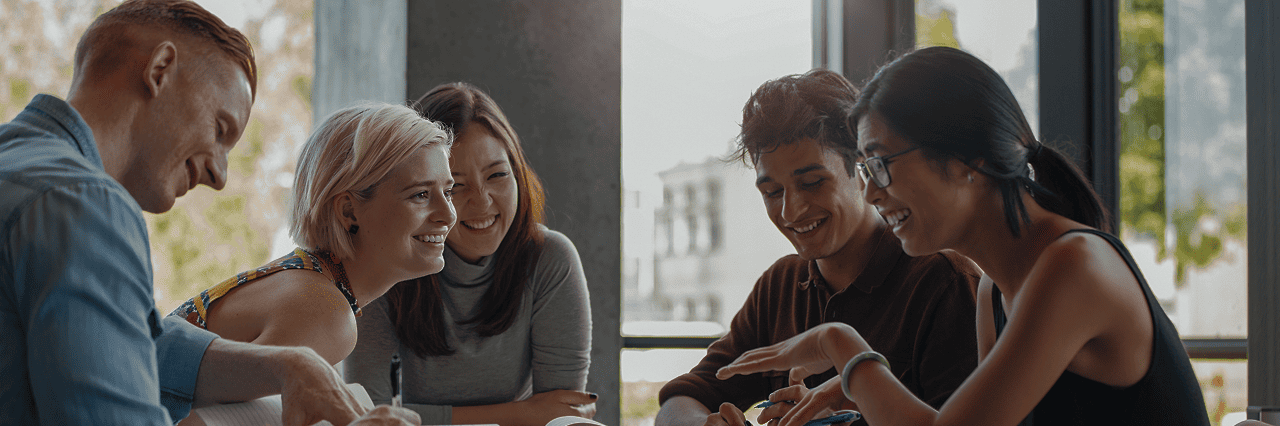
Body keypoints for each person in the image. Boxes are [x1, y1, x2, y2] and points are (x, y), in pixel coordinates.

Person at [716, 46, 1211, 426]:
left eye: (881, 166)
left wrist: (840, 345)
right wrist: (853, 401)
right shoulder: (993, 290)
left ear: (967, 161)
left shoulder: (1073, 265)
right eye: (865, 170)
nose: (870, 195)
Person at [0, 1, 418, 424]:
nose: (219, 175)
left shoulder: (22, 169)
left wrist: (289, 365)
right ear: (160, 69)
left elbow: (135, 343)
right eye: (220, 129)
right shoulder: (85, 203)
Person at [654, 69, 981, 426]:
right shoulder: (781, 285)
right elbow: (680, 400)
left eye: (812, 183)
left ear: (862, 171)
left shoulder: (944, 282)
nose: (790, 211)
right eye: (772, 192)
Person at [343, 82, 595, 426]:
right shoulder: (383, 264)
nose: (482, 202)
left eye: (497, 175)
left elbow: (560, 415)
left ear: (518, 173)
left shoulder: (550, 259)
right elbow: (369, 414)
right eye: (455, 186)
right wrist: (521, 414)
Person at [169, 102, 456, 366]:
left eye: (448, 192)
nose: (449, 214)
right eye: (420, 195)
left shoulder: (310, 280)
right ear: (348, 212)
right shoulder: (326, 314)